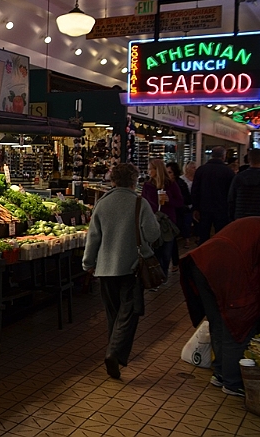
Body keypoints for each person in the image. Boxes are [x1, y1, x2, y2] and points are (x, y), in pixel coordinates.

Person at [180, 217, 260, 396]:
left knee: (218, 324)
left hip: (201, 264)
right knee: (237, 325)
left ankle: (221, 374)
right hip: (224, 269)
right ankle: (232, 382)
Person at [82, 163, 160, 380]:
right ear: (134, 181)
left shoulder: (102, 203)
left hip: (105, 269)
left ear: (112, 180)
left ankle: (112, 354)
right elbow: (153, 234)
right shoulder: (139, 203)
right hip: (131, 268)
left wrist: (88, 263)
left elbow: (93, 238)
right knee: (129, 312)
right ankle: (113, 353)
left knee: (113, 315)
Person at [142, 159, 183, 279]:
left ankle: (163, 275)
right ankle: (155, 277)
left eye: (151, 169)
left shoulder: (171, 184)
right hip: (152, 220)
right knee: (154, 250)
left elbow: (180, 202)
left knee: (166, 252)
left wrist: (169, 200)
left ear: (157, 170)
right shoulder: (148, 185)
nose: (148, 172)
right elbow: (144, 202)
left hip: (167, 222)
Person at [191, 146, 234, 244]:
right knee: (221, 234)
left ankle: (203, 255)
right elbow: (231, 193)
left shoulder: (201, 170)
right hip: (222, 209)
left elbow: (195, 190)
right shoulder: (228, 172)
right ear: (223, 156)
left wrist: (195, 207)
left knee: (204, 235)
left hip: (204, 208)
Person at [227, 148, 260, 221]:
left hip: (241, 216)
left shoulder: (239, 177)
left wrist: (231, 217)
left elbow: (231, 199)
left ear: (248, 159)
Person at [166, 162, 191, 272]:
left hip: (177, 215)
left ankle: (174, 262)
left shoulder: (179, 184)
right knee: (171, 240)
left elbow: (184, 200)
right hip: (170, 215)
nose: (168, 175)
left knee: (172, 239)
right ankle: (174, 262)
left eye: (170, 172)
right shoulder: (166, 183)